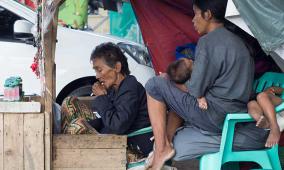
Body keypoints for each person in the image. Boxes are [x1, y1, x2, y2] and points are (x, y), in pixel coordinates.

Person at [144, 0, 269, 169]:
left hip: (213, 115)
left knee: (155, 85)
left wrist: (169, 80)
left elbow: (195, 89)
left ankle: (161, 148)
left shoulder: (208, 42)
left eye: (196, 13)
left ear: (207, 14)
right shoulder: (241, 43)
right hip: (235, 114)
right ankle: (166, 144)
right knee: (175, 99)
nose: (193, 19)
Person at [61, 42, 153, 159]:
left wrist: (101, 98)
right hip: (114, 136)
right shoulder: (116, 88)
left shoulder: (130, 88)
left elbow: (117, 126)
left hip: (131, 146)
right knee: (69, 102)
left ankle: (68, 157)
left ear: (117, 67)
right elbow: (106, 119)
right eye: (96, 71)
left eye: (100, 70)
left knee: (76, 127)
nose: (97, 76)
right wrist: (88, 124)